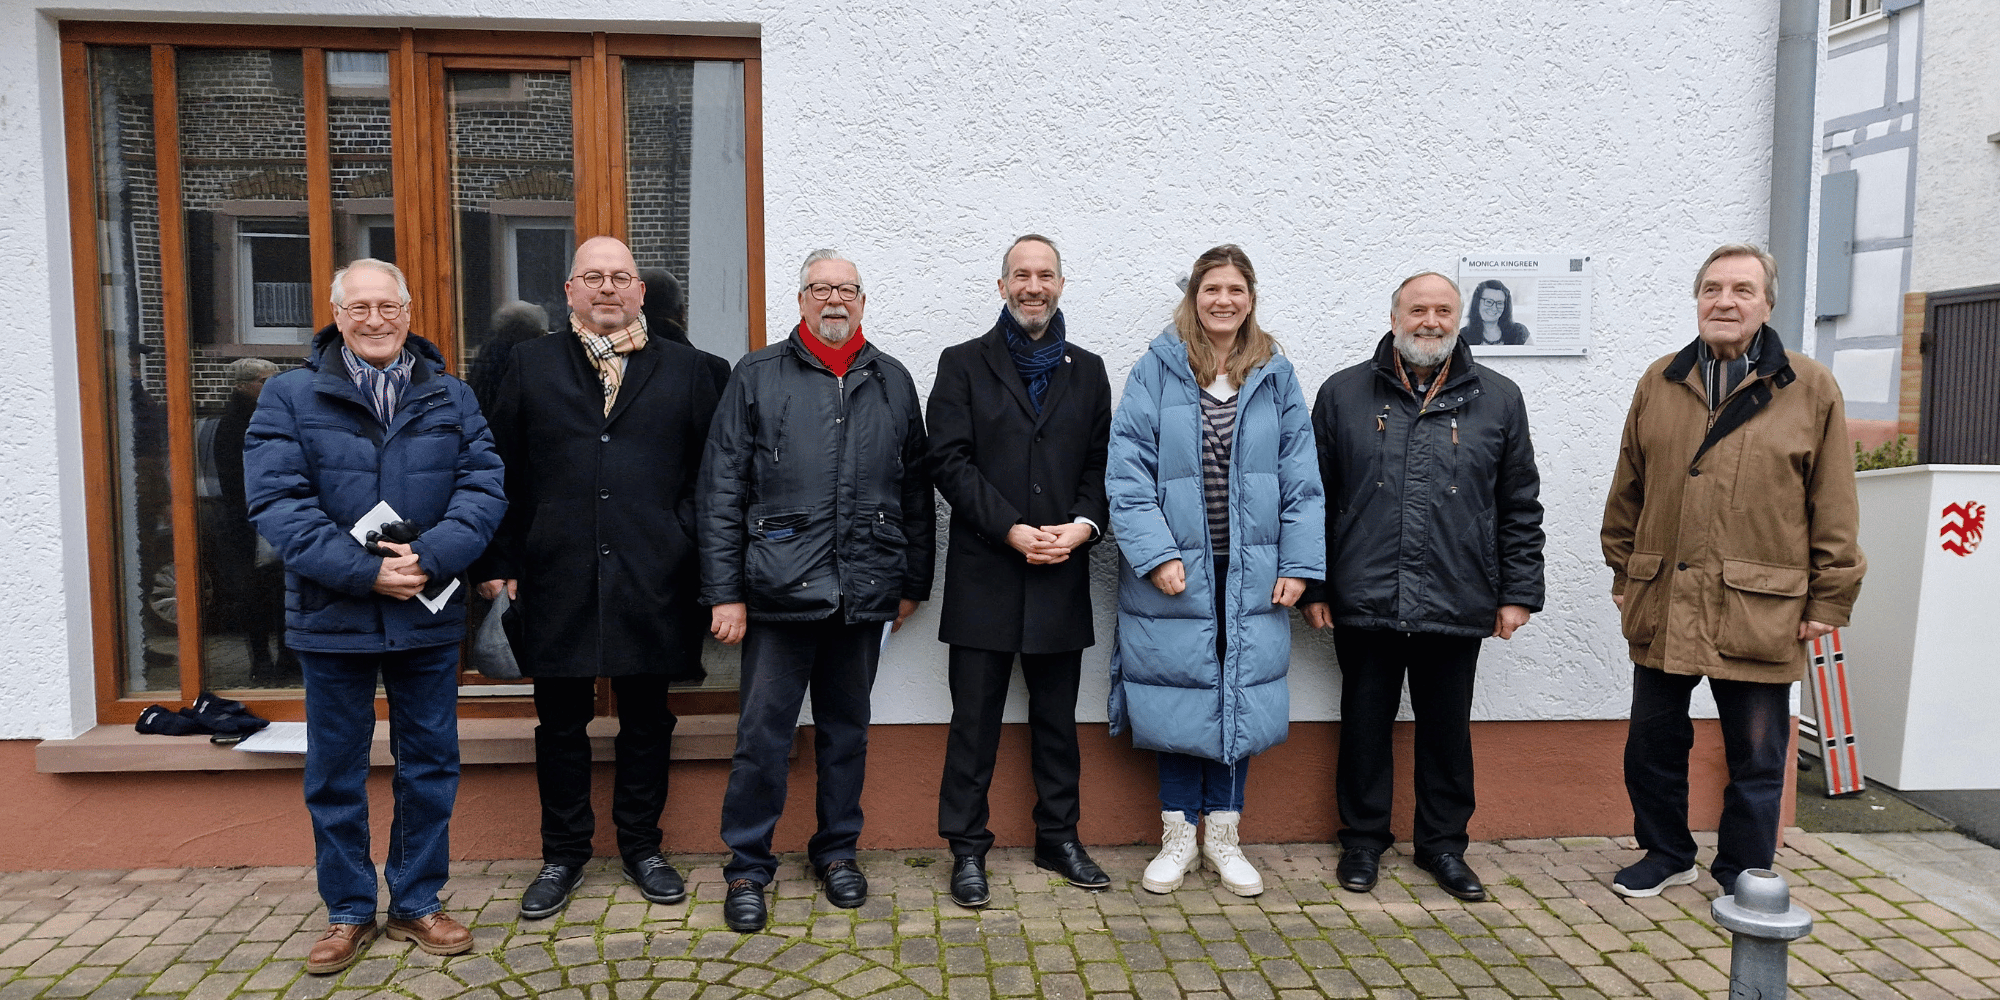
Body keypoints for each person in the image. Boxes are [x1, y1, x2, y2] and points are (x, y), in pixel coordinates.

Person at [243, 258, 504, 974]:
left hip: (425, 607)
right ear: (335, 314)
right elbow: (278, 506)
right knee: (335, 770)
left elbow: (484, 486)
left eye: (387, 305)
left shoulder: (451, 395)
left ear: (409, 312)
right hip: (335, 613)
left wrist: (431, 558)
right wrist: (365, 572)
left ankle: (418, 902)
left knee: (429, 764)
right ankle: (349, 912)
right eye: (358, 307)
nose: (376, 319)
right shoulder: (289, 397)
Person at [1600, 244, 1864, 898]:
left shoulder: (1810, 387)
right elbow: (1626, 491)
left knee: (1758, 753)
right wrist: (1624, 572)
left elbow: (1833, 503)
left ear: (1767, 303)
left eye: (1742, 290)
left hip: (1761, 603)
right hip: (1664, 597)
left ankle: (1743, 868)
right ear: (1697, 300)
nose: (1725, 301)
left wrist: (1828, 600)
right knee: (1652, 746)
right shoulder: (1659, 381)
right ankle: (1665, 853)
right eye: (1713, 289)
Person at [472, 237, 722, 919]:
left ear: (641, 292)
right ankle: (563, 855)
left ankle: (643, 847)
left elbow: (715, 479)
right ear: (569, 289)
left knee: (647, 719)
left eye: (621, 277)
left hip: (656, 573)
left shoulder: (696, 371)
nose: (607, 288)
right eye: (593, 277)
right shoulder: (528, 365)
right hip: (555, 573)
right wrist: (499, 563)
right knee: (560, 723)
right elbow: (498, 472)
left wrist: (688, 545)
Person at [697, 248, 934, 932]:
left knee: (846, 734)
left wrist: (912, 580)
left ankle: (837, 853)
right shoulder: (758, 375)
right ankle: (747, 867)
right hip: (775, 594)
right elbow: (720, 491)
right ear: (799, 300)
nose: (834, 300)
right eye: (820, 288)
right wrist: (724, 593)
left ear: (863, 301)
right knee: (762, 738)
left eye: (847, 289)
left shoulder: (892, 380)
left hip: (864, 592)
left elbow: (915, 489)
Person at [1300, 270, 1545, 903]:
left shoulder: (1500, 396)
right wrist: (1316, 586)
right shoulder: (1343, 393)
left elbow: (1519, 504)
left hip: (1458, 594)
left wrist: (1517, 592)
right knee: (1363, 723)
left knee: (1445, 729)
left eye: (1442, 311)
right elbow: (1313, 500)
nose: (1429, 321)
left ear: (1458, 321)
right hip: (1363, 595)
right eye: (1417, 310)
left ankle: (1442, 845)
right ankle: (1362, 840)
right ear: (1394, 318)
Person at [1105, 244, 1324, 898]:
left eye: (1235, 290)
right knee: (1179, 694)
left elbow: (1302, 482)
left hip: (1252, 572)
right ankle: (1178, 839)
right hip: (1174, 573)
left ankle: (1224, 839)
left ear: (1250, 298)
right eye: (1212, 290)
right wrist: (1157, 554)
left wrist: (1298, 564)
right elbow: (1127, 475)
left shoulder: (1276, 376)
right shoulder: (1157, 371)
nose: (1223, 301)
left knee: (1239, 695)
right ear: (1193, 297)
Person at [928, 234, 1114, 908]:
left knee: (1058, 722)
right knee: (972, 723)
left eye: (1045, 275)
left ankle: (1057, 838)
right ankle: (967, 849)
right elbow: (948, 461)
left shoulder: (1088, 371)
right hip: (986, 573)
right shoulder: (961, 364)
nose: (1033, 286)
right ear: (1001, 286)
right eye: (1021, 275)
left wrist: (1085, 526)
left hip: (1061, 573)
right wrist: (1008, 527)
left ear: (1061, 284)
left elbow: (1101, 466)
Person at [211, 357, 285, 682]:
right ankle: (262, 660)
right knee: (254, 592)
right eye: (264, 381)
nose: (271, 387)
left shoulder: (269, 415)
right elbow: (237, 480)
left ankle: (287, 657)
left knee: (281, 588)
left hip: (271, 515)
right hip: (250, 521)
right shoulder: (236, 423)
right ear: (243, 385)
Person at [1459, 279, 1530, 346]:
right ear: (1477, 303)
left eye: (1499, 303)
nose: (1494, 308)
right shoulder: (1463, 336)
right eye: (1489, 302)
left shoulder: (1519, 332)